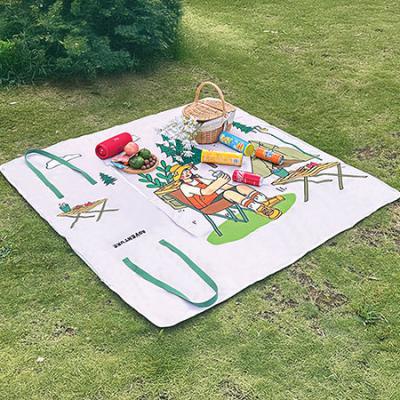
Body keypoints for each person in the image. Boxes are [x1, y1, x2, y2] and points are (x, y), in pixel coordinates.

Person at [170, 164, 283, 219]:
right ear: (179, 178)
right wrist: (220, 181)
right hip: (208, 207)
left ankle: (264, 200)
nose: (186, 173)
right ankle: (259, 208)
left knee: (240, 187)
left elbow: (219, 185)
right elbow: (206, 191)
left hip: (217, 199)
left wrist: (230, 185)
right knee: (228, 193)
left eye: (186, 171)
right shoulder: (184, 187)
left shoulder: (198, 179)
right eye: (182, 173)